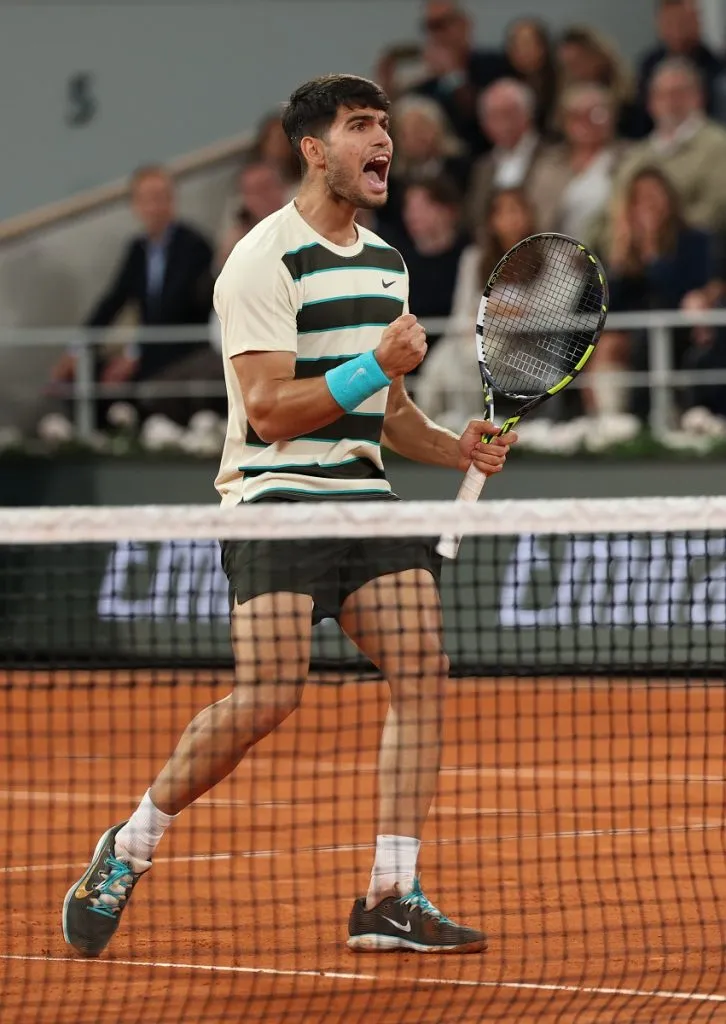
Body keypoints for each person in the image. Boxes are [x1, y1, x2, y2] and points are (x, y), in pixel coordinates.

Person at [62, 73, 516, 959]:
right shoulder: (261, 259)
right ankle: (130, 846)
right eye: (359, 126)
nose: (382, 141)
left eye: (385, 125)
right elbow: (269, 410)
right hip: (273, 503)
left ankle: (390, 890)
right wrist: (373, 363)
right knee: (272, 691)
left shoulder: (386, 263)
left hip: (362, 502)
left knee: (423, 667)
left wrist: (454, 446)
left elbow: (384, 414)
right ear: (313, 150)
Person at [47, 165, 216, 426]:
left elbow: (174, 308)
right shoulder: (138, 249)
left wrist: (135, 354)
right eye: (147, 199)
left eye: (161, 197)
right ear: (135, 206)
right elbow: (112, 301)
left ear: (172, 201)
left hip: (179, 349)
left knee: (122, 380)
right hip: (147, 347)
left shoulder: (194, 246)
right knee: (85, 373)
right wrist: (76, 350)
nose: (154, 206)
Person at [587, 166, 716, 417]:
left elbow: (679, 289)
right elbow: (611, 307)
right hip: (636, 333)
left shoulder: (694, 241)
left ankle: (661, 413)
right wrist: (622, 260)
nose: (649, 205)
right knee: (608, 343)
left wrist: (653, 251)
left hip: (682, 328)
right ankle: (613, 423)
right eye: (640, 199)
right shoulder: (622, 250)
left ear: (670, 199)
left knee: (643, 340)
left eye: (655, 195)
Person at [416, 188, 538, 426]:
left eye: (515, 211)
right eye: (500, 213)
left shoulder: (549, 257)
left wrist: (491, 310)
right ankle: (426, 426)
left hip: (521, 348)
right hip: (469, 338)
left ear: (529, 215)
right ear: (491, 221)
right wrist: (496, 310)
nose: (509, 220)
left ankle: (468, 425)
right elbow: (462, 312)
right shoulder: (474, 258)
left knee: (468, 357)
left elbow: (541, 313)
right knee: (435, 365)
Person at [614, 57, 726, 233]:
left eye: (679, 93)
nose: (671, 101)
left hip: (690, 251)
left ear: (699, 97)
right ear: (651, 102)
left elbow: (714, 210)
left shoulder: (718, 146)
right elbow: (614, 207)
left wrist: (659, 234)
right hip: (629, 251)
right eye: (662, 94)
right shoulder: (636, 154)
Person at [527, 83, 630, 243]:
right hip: (555, 256)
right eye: (575, 115)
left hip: (610, 252)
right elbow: (535, 220)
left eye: (595, 114)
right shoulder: (548, 165)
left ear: (612, 117)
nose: (585, 122)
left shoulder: (630, 158)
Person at [414, 0, 511, 154]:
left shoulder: (494, 65)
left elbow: (482, 115)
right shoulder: (425, 84)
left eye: (442, 24)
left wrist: (453, 75)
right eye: (430, 27)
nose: (437, 34)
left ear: (465, 25)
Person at [389, 176, 469, 355]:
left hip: (456, 350)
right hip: (410, 352)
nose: (412, 216)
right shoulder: (398, 258)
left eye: (422, 207)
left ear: (448, 210)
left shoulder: (469, 254)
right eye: (409, 208)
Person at [466, 79, 549, 232]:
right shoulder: (482, 167)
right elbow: (475, 218)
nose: (502, 123)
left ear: (528, 114)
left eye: (508, 113)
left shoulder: (552, 157)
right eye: (493, 116)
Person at [380, 94, 469, 233]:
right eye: (406, 133)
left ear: (437, 128)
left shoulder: (461, 168)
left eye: (420, 128)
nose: (414, 137)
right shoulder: (394, 180)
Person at [637, 0, 723, 125]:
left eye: (683, 22)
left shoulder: (718, 70)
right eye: (671, 22)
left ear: (697, 22)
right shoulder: (648, 66)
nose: (677, 30)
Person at [556, 26, 647, 139]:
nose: (575, 70)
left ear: (599, 56)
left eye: (580, 60)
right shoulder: (564, 108)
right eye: (568, 65)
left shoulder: (630, 101)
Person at [215, 160, 288, 270]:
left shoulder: (306, 219)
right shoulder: (239, 240)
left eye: (267, 187)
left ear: (282, 188)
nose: (263, 197)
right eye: (254, 191)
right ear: (245, 200)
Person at [504, 17, 558, 134]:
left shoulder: (560, 83)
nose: (518, 50)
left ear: (543, 47)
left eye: (525, 44)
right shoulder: (506, 84)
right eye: (513, 45)